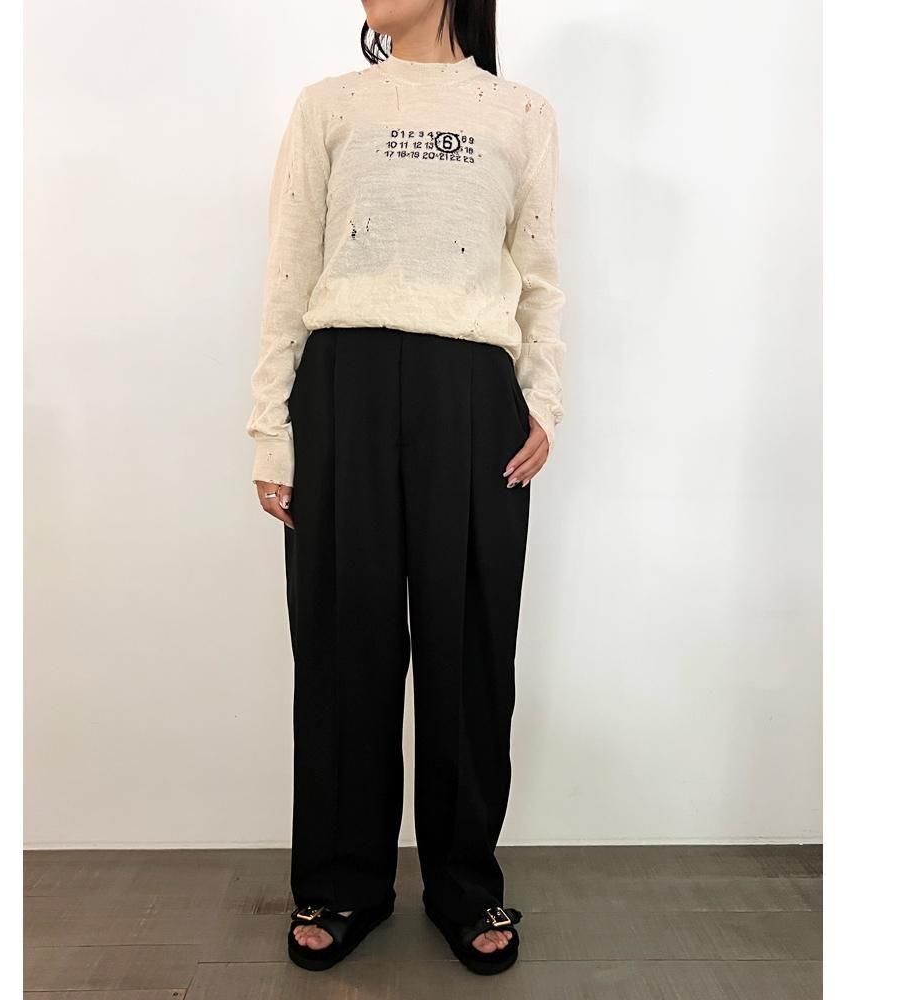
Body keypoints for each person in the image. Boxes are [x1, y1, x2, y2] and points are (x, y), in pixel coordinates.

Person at [245, 0, 565, 977]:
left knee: (471, 649)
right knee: (345, 643)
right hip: (342, 386)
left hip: (474, 396)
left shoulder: (520, 113)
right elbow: (290, 265)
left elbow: (539, 273)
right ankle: (345, 880)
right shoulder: (330, 105)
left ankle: (464, 883)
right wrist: (270, 427)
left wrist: (543, 399)